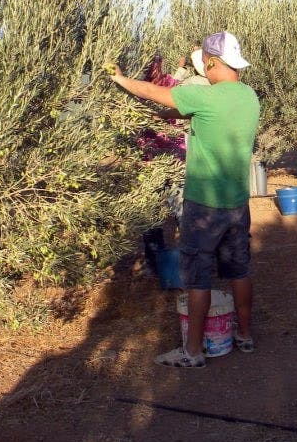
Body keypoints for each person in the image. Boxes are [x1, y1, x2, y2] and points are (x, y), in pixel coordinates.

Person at [110, 31, 259, 368]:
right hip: (238, 204)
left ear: (212, 62)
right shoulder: (249, 97)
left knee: (198, 276)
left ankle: (193, 351)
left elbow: (155, 92)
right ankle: (245, 336)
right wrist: (157, 119)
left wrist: (120, 79)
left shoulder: (205, 97)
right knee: (240, 271)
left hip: (204, 205)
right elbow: (197, 117)